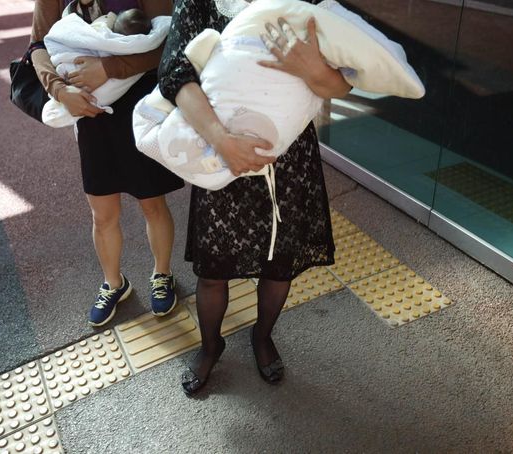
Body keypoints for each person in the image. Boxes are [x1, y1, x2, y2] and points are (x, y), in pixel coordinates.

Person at [157, 0, 352, 395]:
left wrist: (312, 69)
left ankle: (262, 337)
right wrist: (221, 141)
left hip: (289, 158)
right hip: (221, 156)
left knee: (278, 265)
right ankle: (211, 345)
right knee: (212, 270)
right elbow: (175, 72)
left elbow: (343, 82)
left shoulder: (305, 4)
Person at [30, 0, 184, 326]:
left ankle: (162, 274)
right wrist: (58, 90)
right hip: (89, 111)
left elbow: (172, 40)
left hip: (138, 106)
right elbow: (38, 44)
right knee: (102, 213)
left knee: (152, 203)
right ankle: (114, 283)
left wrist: (109, 69)